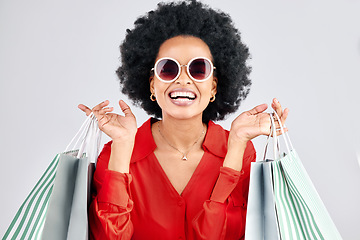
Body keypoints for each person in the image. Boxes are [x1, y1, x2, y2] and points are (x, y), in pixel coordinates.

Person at [78, 1, 289, 239]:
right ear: (152, 84)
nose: (183, 80)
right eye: (168, 69)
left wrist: (237, 145)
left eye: (198, 69)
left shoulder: (241, 152)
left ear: (213, 87)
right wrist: (124, 144)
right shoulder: (116, 152)